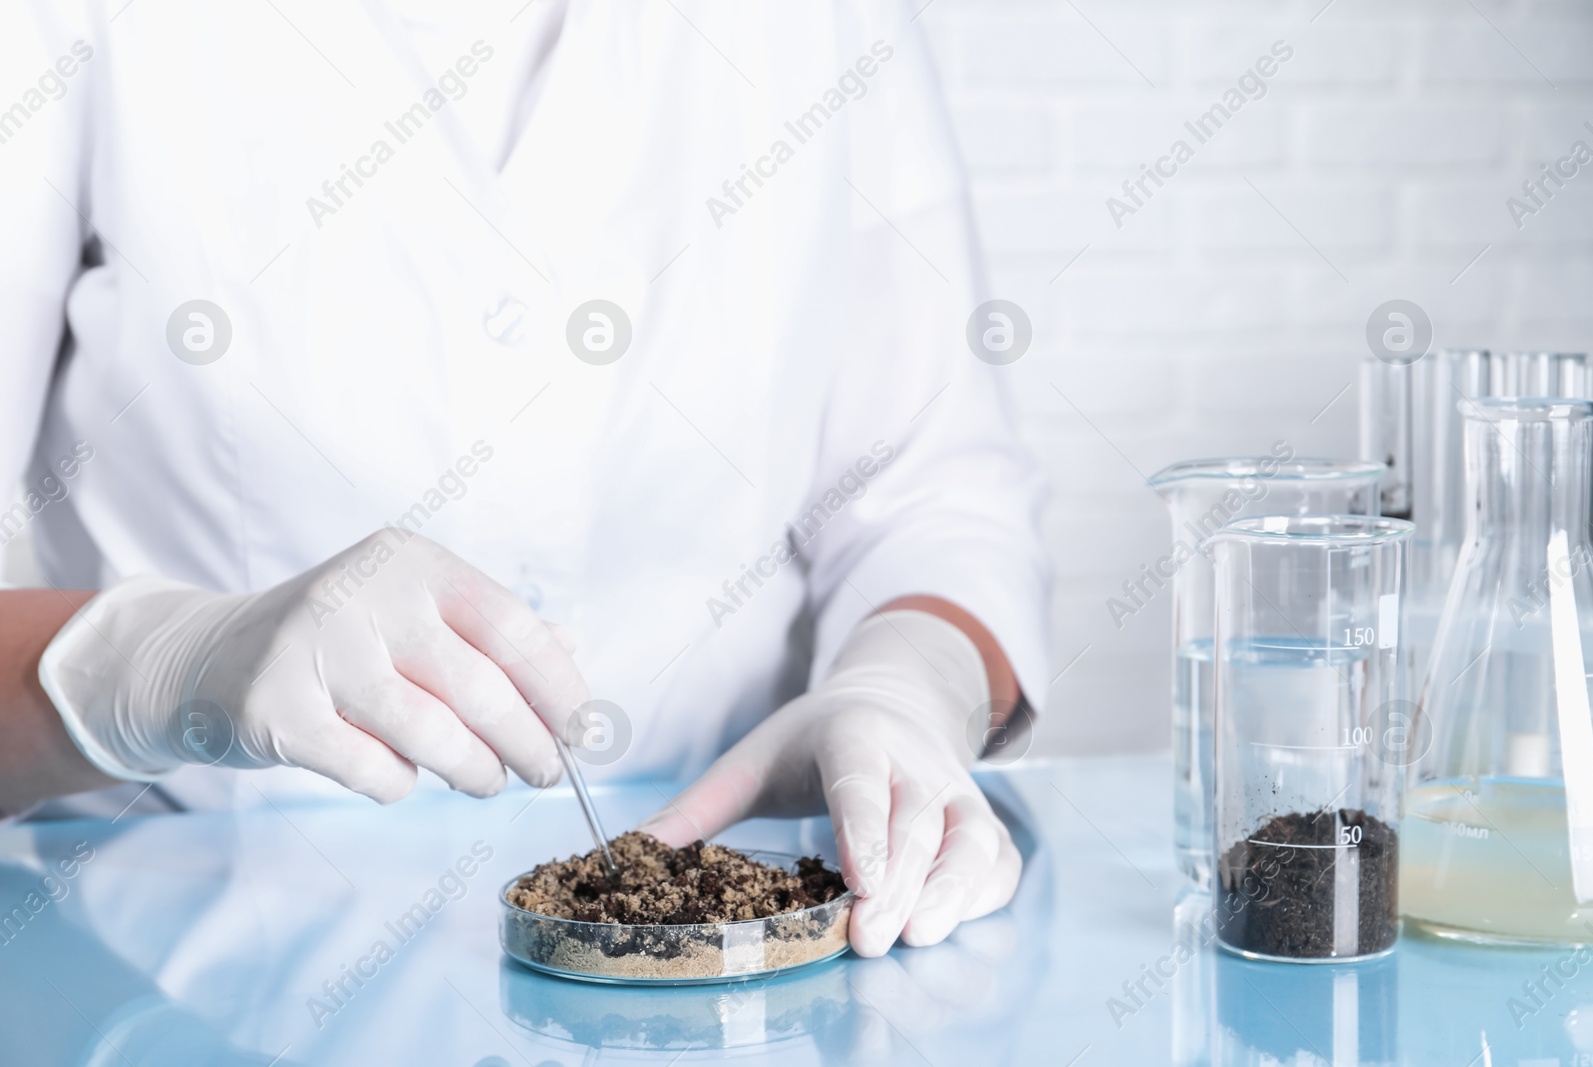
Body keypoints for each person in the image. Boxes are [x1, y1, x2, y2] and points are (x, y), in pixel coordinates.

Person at [0, 1, 1048, 958]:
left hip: (743, 950)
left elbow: (935, 493)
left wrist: (906, 688)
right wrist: (153, 667)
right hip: (177, 948)